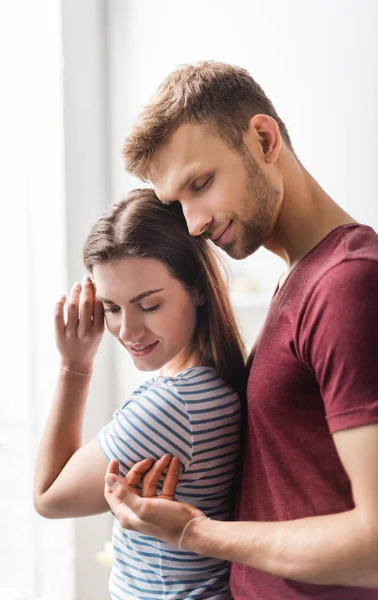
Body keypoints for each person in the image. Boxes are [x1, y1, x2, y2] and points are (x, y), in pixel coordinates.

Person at [103, 61, 378, 599]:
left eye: (200, 184)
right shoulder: (299, 280)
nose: (194, 224)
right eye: (177, 204)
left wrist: (194, 533)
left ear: (263, 138)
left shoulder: (347, 284)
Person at [33, 188, 247, 600]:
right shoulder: (210, 385)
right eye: (112, 308)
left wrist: (74, 366)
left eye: (148, 306)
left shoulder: (174, 405)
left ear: (198, 289)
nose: (127, 331)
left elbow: (48, 498)